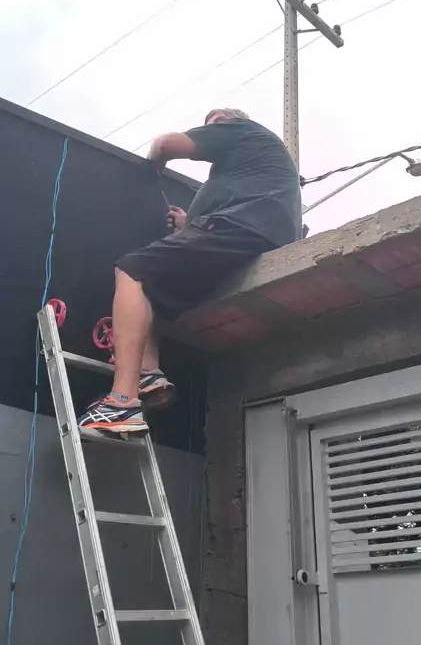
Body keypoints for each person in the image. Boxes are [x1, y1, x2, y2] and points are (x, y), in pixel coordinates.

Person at [78, 108, 302, 438]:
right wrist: (187, 223)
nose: (208, 130)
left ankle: (121, 403)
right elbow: (211, 223)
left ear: (226, 119)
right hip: (250, 235)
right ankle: (148, 374)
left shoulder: (238, 129)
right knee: (150, 291)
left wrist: (153, 164)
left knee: (132, 269)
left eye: (211, 124)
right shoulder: (249, 171)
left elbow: (165, 145)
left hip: (241, 228)